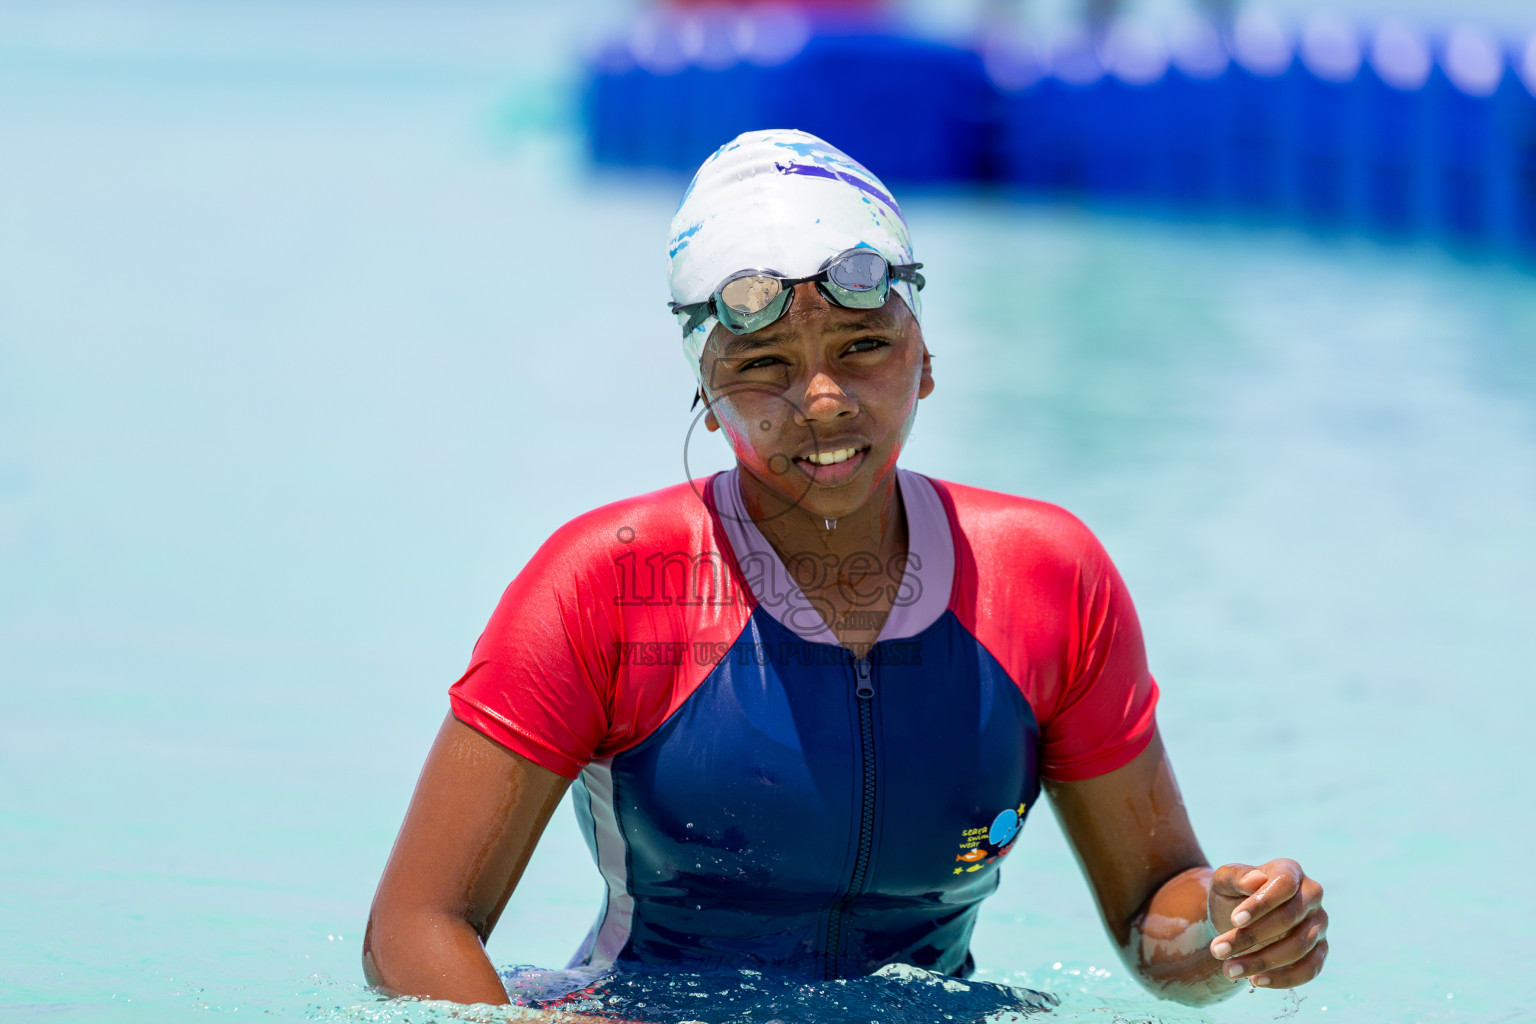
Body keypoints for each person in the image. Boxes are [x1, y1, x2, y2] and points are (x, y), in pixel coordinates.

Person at [362, 129, 1328, 1009]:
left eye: (865, 346)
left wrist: (1230, 926)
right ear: (706, 393)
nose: (822, 401)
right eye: (763, 365)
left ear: (926, 355)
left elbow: (1152, 921)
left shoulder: (1049, 577)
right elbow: (413, 931)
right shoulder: (603, 584)